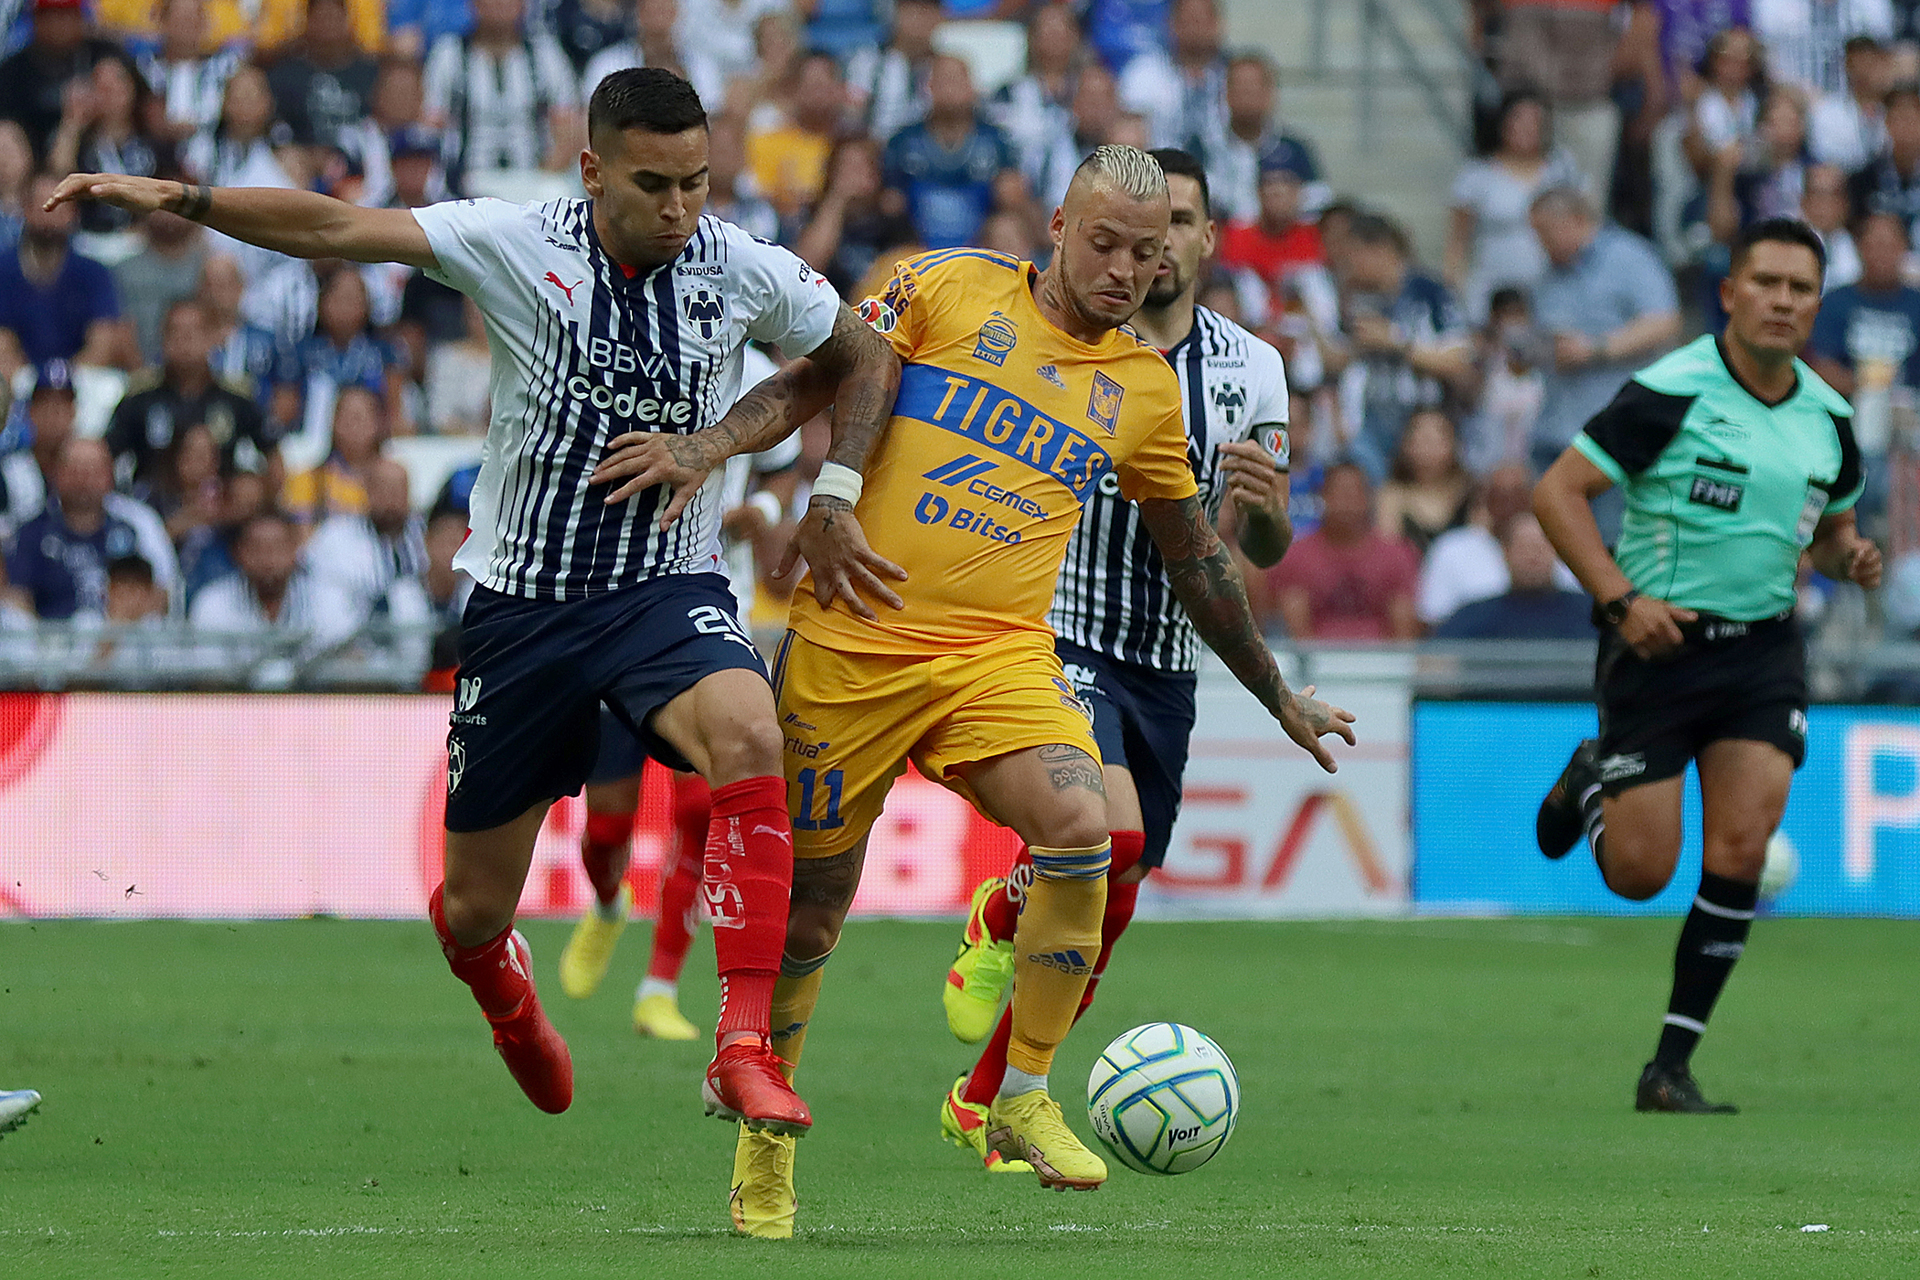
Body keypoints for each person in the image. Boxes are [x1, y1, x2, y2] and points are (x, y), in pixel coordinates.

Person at [49, 66, 900, 1129]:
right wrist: (184, 197)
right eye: (653, 184)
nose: (679, 207)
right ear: (593, 170)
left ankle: (742, 1045)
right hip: (525, 606)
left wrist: (746, 453)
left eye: (695, 181)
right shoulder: (515, 241)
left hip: (662, 587)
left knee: (751, 732)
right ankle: (506, 995)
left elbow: (863, 355)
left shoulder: (738, 264)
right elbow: (334, 228)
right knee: (471, 909)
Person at [593, 143, 1355, 1233]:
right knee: (811, 910)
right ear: (1058, 227)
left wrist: (1279, 694)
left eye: (1146, 253)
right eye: (1104, 243)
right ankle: (765, 1151)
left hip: (998, 658)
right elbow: (818, 374)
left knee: (1085, 828)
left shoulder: (1144, 391)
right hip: (854, 646)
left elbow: (1196, 556)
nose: (1124, 270)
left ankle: (1022, 1092)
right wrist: (712, 446)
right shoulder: (945, 286)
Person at [932, 148, 1296, 1175]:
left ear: (1207, 238)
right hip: (1060, 632)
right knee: (1112, 834)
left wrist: (1270, 514)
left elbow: (1260, 547)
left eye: (1178, 223)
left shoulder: (1255, 369)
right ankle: (1004, 913)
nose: (1156, 246)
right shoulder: (1076, 341)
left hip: (1167, 663)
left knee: (1115, 888)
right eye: (1142, 227)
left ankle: (983, 1095)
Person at [1531, 217, 1879, 1113]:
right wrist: (1620, 601)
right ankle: (1590, 775)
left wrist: (1849, 558)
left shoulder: (1832, 420)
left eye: (1801, 288)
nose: (1782, 301)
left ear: (1817, 305)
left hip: (1764, 652)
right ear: (1729, 293)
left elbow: (1830, 533)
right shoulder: (1670, 390)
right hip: (1658, 647)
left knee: (1740, 850)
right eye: (1766, 282)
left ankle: (1669, 1068)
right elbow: (1558, 492)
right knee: (1641, 873)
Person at [556, 344, 804, 1042]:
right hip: (616, 603)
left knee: (702, 808)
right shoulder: (624, 354)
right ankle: (609, 902)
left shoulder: (763, 375)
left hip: (710, 607)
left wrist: (757, 510)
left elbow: (781, 477)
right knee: (608, 826)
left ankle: (658, 987)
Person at [1526, 185, 1682, 474]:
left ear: (1574, 221)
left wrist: (1594, 349)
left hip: (1615, 435)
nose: (1539, 244)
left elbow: (1663, 322)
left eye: (1545, 233)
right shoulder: (1547, 274)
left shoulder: (1630, 257)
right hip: (1555, 429)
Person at [1445, 88, 1588, 323]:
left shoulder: (1562, 168)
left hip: (1551, 285)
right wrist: (1453, 287)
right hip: (1491, 285)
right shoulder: (1477, 174)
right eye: (1518, 119)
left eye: (1535, 121)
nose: (1526, 128)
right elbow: (1458, 241)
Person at [106, 298, 274, 487]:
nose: (184, 341)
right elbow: (106, 454)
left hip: (220, 499)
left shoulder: (235, 398)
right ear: (162, 339)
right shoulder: (141, 398)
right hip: (151, 499)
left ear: (213, 338)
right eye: (175, 332)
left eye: (193, 332)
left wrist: (254, 491)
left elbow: (273, 453)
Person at [5, 436, 177, 620]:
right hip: (54, 634)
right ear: (56, 474)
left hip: (125, 632)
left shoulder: (138, 523)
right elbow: (16, 598)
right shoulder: (31, 532)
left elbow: (164, 592)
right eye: (75, 470)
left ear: (110, 474)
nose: (83, 480)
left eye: (93, 471)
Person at [1267, 460, 1421, 640]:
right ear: (1323, 496)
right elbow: (1297, 632)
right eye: (1338, 493)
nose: (1346, 502)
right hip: (1314, 655)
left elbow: (1404, 634)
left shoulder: (1397, 555)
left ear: (1368, 498)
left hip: (1382, 654)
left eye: (1354, 493)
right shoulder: (1296, 556)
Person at [881, 54, 1019, 251]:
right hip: (917, 245)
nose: (950, 89)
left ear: (972, 87)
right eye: (943, 80)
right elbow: (889, 202)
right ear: (929, 87)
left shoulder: (996, 141)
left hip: (983, 243)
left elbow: (1012, 195)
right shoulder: (904, 141)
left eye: (957, 80)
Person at [1429, 513, 1593, 638]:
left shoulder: (1588, 615)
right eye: (1524, 547)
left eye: (1540, 547)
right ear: (1505, 553)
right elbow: (1437, 661)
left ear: (1556, 551)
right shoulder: (1472, 617)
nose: (1533, 556)